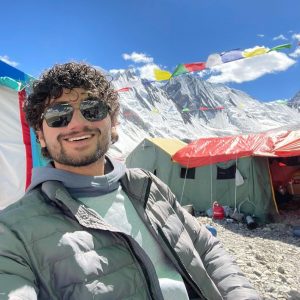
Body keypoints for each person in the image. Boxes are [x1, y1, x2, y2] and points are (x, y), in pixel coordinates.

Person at [0, 62, 261, 300]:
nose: (77, 124)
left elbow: (206, 248)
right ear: (41, 136)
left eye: (92, 109)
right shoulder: (12, 230)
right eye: (58, 115)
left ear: (113, 123)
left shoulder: (149, 186)